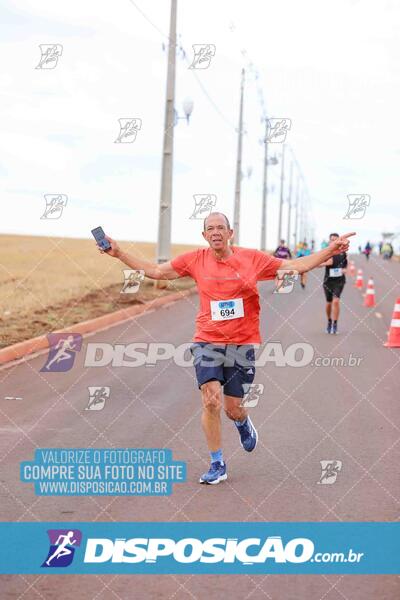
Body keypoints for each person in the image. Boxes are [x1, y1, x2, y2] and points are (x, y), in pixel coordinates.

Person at [98, 213, 354, 484]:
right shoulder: (195, 259)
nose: (216, 232)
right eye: (210, 228)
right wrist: (119, 254)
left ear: (231, 233)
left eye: (221, 228)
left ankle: (242, 422)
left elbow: (295, 266)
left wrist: (330, 249)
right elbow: (157, 271)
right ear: (204, 235)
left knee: (233, 408)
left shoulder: (252, 259)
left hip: (241, 343)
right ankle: (217, 462)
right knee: (210, 399)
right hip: (207, 340)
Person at [319, 233, 348, 334]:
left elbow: (345, 266)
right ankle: (329, 321)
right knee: (329, 303)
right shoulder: (326, 253)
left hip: (339, 281)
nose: (334, 241)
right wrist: (324, 263)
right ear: (329, 241)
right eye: (332, 239)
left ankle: (335, 323)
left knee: (336, 301)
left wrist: (344, 270)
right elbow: (318, 263)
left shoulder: (342, 253)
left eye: (336, 239)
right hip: (328, 281)